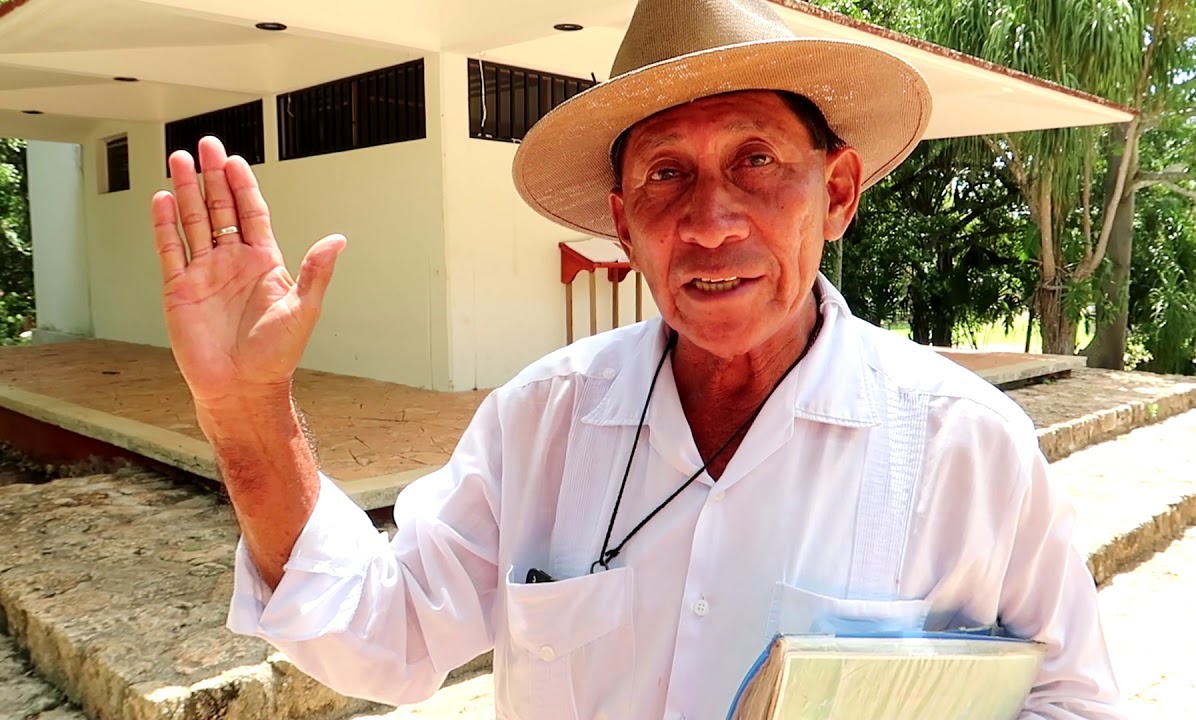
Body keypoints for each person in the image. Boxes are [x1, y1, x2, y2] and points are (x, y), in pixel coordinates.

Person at [149, 0, 1126, 717]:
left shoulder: (966, 449)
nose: (708, 223)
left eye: (755, 162)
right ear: (622, 222)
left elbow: (1067, 701)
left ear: (834, 194)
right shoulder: (539, 423)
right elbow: (380, 635)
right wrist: (249, 414)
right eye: (666, 175)